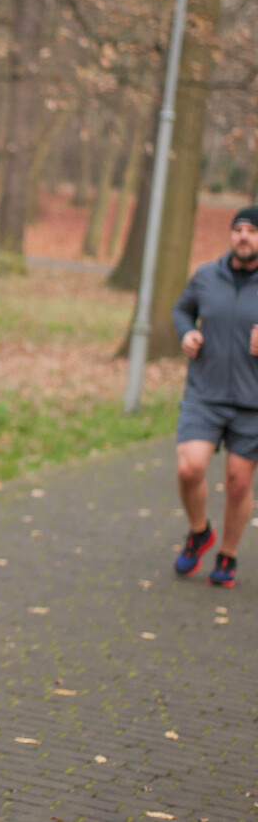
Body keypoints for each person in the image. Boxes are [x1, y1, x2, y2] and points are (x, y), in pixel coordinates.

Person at [171, 205, 258, 588]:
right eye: (238, 229)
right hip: (204, 394)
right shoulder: (206, 276)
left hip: (252, 401)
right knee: (189, 469)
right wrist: (186, 333)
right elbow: (182, 310)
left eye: (252, 231)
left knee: (238, 483)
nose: (244, 236)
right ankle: (199, 531)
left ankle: (228, 554)